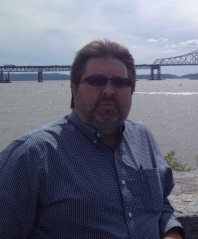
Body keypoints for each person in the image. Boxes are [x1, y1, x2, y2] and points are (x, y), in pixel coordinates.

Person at [0, 39, 185, 239]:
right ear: (73, 88)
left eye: (120, 82)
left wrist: (172, 233)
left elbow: (160, 205)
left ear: (131, 90)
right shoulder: (31, 156)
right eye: (96, 81)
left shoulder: (144, 138)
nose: (108, 90)